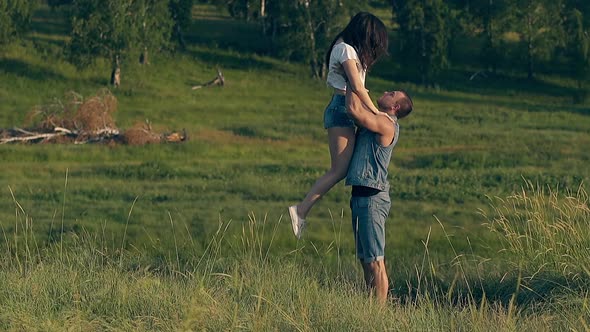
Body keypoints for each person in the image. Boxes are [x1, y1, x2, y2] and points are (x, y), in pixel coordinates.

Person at [289, 12, 390, 239]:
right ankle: (300, 210)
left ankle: (303, 210)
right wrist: (375, 111)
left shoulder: (350, 50)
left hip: (348, 109)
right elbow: (356, 85)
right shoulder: (344, 49)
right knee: (339, 169)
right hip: (342, 110)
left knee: (344, 167)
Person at [345, 88, 413, 305]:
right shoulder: (377, 118)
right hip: (361, 196)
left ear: (395, 107)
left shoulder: (387, 124)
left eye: (391, 93)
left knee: (376, 261)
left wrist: (351, 76)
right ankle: (369, 306)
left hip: (372, 199)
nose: (385, 91)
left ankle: (379, 314)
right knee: (366, 260)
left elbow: (354, 110)